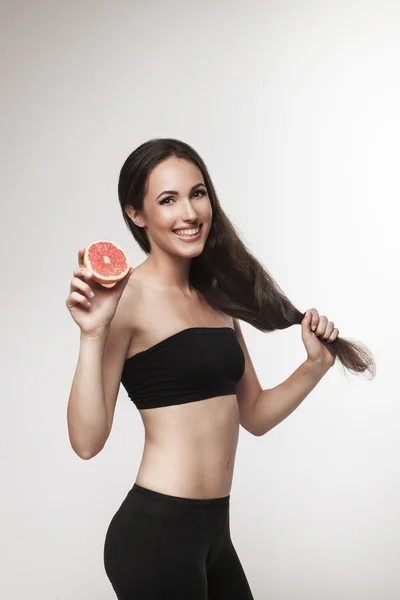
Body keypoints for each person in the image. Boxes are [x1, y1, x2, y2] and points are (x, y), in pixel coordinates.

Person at [65, 138, 375, 599]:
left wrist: (315, 365)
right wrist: (92, 335)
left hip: (215, 533)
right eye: (167, 200)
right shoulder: (124, 299)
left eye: (198, 193)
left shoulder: (216, 299)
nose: (189, 213)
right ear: (136, 214)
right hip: (157, 534)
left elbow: (254, 414)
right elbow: (86, 442)